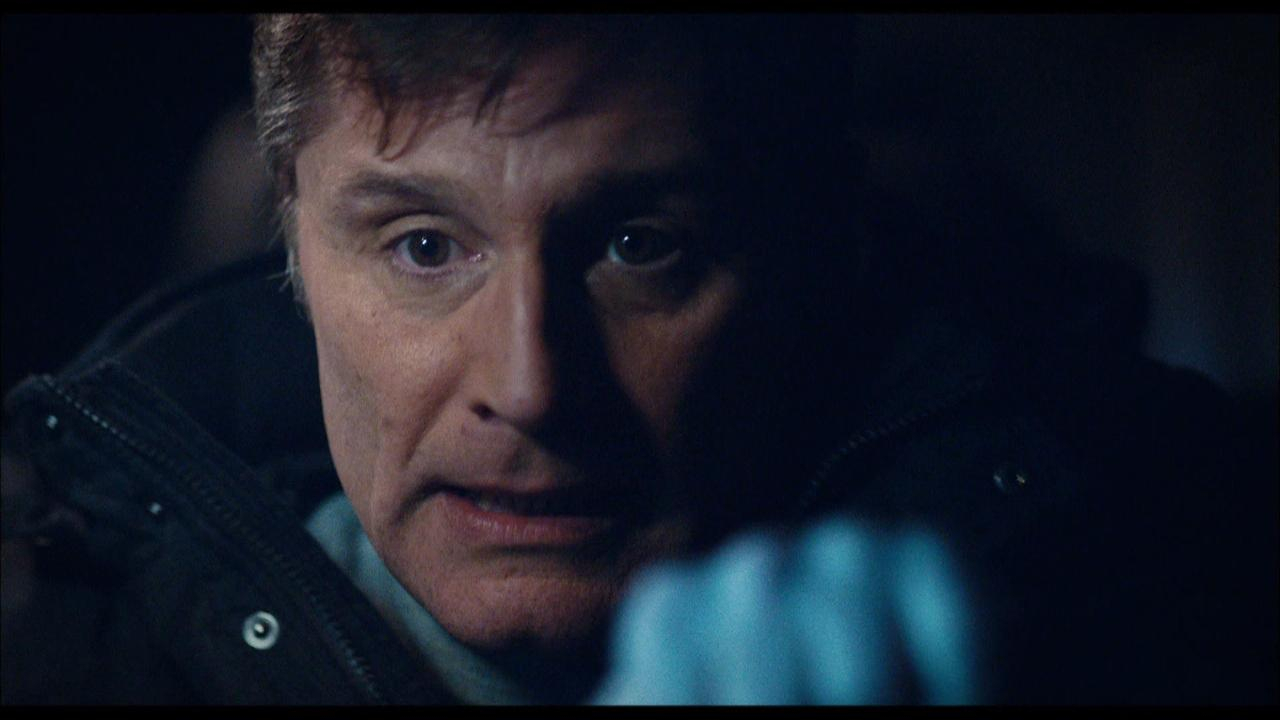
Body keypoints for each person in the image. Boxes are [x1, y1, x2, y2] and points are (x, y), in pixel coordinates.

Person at [1, 15, 1274, 705]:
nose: (530, 387)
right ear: (291, 232)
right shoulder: (60, 655)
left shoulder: (1172, 586)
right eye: (424, 246)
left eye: (637, 245)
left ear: (817, 245)